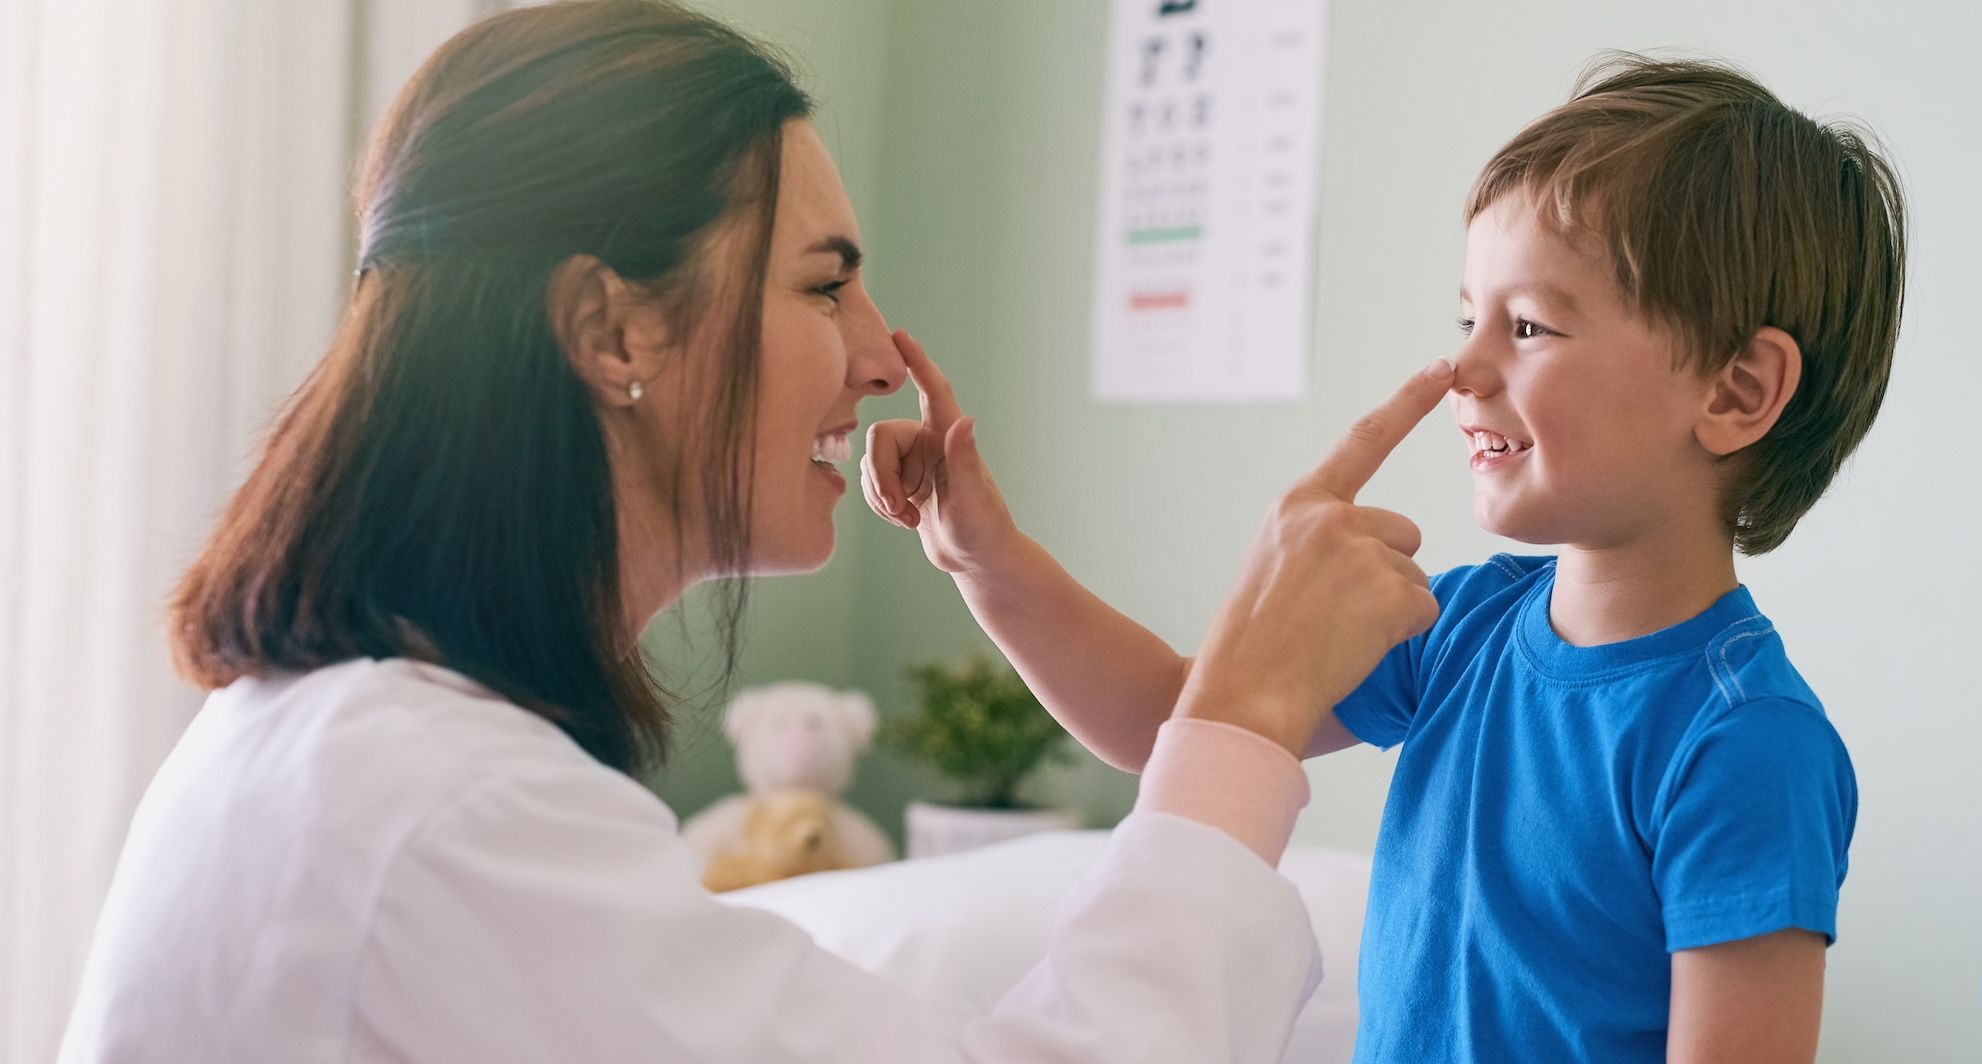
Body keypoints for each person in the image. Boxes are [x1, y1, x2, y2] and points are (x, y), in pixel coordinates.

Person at [57, 3, 1455, 1060]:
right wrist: (1249, 718)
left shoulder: (342, 749)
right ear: (612, 328)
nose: (880, 360)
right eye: (822, 287)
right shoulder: (445, 813)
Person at [864, 54, 1905, 1062]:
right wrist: (985, 560)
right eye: (1466, 318)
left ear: (1734, 391)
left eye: (1530, 324)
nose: (1463, 368)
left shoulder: (1745, 742)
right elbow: (1173, 721)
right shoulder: (1455, 627)